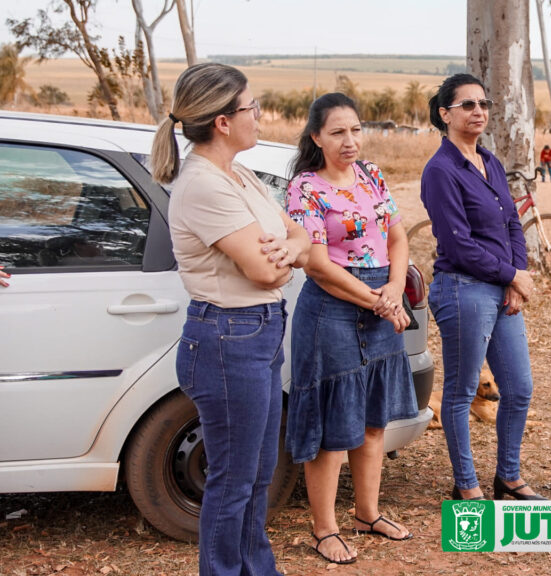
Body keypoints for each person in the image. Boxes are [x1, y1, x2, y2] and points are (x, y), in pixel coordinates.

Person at [153, 62, 311, 576]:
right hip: (228, 340)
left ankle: (256, 569)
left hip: (257, 333)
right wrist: (284, 256)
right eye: (251, 107)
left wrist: (286, 249)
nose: (260, 115)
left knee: (259, 473)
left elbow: (302, 235)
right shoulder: (203, 184)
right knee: (233, 478)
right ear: (223, 120)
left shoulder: (239, 173)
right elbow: (266, 272)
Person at [284, 93, 418, 565]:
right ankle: (325, 529)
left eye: (356, 130)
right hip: (331, 312)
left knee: (373, 421)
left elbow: (397, 236)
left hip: (381, 301)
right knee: (331, 429)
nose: (350, 141)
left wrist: (395, 288)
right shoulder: (305, 188)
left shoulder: (372, 175)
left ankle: (367, 513)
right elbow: (317, 265)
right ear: (317, 137)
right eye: (338, 132)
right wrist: (379, 302)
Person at [420, 73, 545, 502]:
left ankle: (508, 477)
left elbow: (512, 222)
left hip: (501, 289)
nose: (479, 112)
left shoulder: (489, 160)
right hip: (463, 289)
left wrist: (516, 277)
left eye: (483, 104)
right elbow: (459, 243)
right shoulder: (440, 171)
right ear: (445, 114)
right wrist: (511, 275)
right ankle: (466, 484)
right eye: (467, 105)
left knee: (519, 387)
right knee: (460, 392)